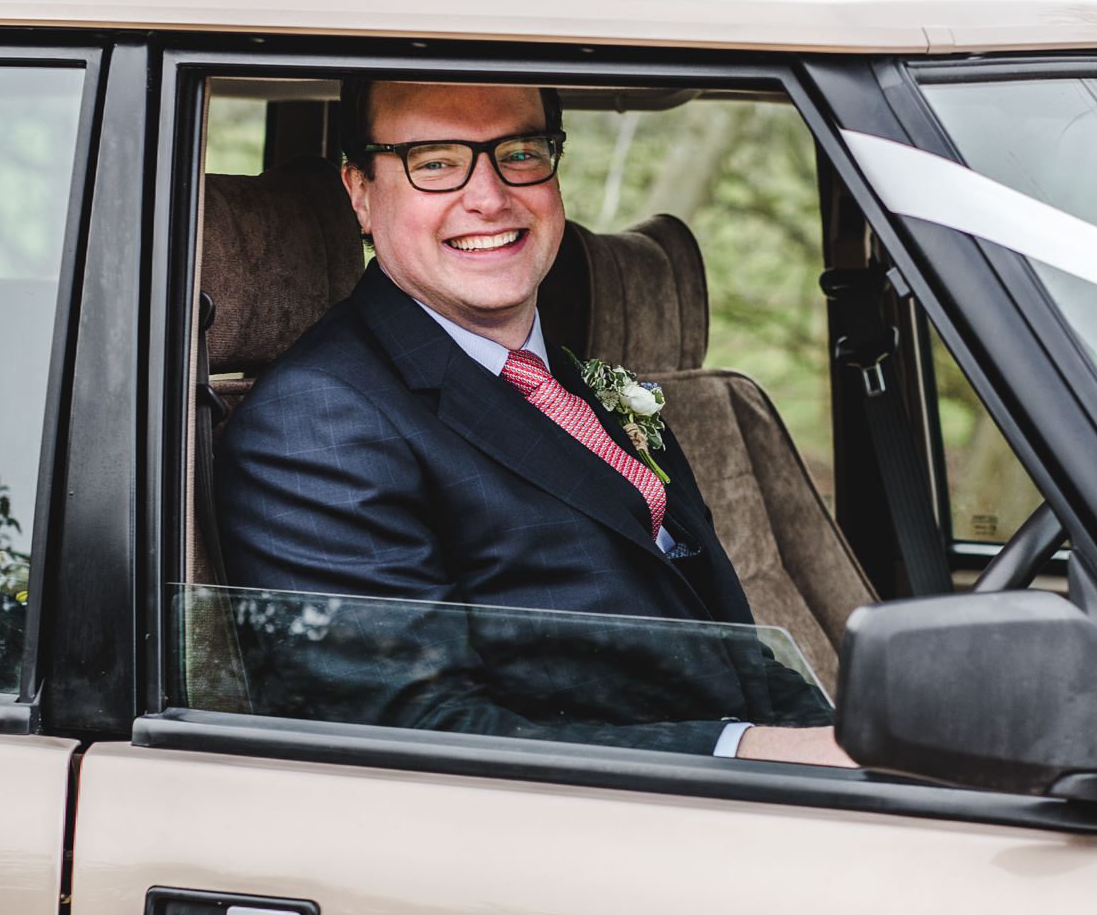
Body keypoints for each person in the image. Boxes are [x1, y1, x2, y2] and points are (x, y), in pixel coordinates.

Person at [215, 79, 851, 766]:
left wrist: (853, 747)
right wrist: (749, 751)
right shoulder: (316, 427)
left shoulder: (570, 381)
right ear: (361, 192)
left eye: (518, 152)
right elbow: (411, 739)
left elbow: (718, 647)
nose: (489, 196)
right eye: (434, 161)